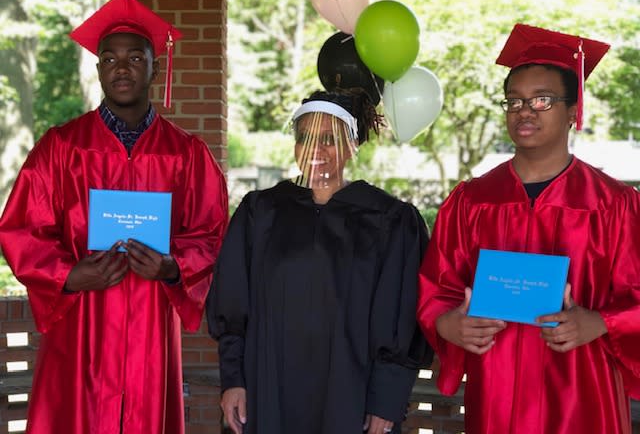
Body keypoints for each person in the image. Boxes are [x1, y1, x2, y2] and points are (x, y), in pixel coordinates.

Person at [0, 0, 228, 433]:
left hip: (150, 327)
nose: (121, 68)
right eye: (109, 58)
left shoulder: (186, 154)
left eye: (135, 58)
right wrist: (66, 274)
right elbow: (21, 229)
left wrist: (172, 266)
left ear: (154, 66)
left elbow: (212, 233)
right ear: (99, 67)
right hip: (81, 324)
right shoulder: (62, 147)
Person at [417, 23, 640, 434]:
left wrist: (601, 321)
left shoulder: (612, 204)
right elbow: (437, 289)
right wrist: (449, 323)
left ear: (574, 112)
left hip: (583, 392)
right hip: (497, 391)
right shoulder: (471, 201)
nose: (525, 111)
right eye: (514, 101)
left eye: (542, 100)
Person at [206, 89, 432, 434]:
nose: (316, 150)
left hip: (352, 397)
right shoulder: (260, 213)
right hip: (269, 392)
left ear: (352, 146)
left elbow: (400, 316)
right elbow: (233, 304)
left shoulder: (390, 220)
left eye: (329, 139)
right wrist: (233, 380)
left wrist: (386, 399)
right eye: (305, 138)